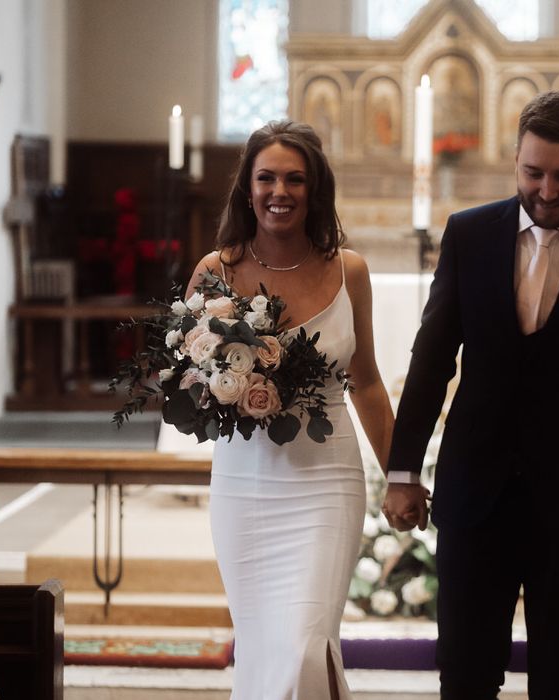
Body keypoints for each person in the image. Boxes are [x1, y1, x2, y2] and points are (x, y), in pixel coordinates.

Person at [381, 91, 559, 699]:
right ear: (515, 158)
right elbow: (432, 357)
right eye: (532, 172)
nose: (546, 190)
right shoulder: (469, 234)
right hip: (473, 494)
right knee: (465, 678)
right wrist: (403, 471)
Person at [186, 120, 393, 700]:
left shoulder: (349, 271)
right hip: (244, 484)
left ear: (315, 189)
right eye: (267, 178)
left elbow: (368, 383)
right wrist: (224, 381)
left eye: (295, 179)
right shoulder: (214, 271)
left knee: (307, 641)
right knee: (264, 646)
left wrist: (401, 478)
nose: (280, 191)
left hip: (325, 480)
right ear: (247, 188)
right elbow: (183, 377)